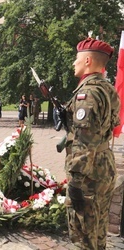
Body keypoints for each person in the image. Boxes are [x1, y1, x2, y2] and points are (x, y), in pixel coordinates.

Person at [64, 38, 119, 249]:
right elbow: (110, 125)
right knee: (98, 231)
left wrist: (76, 181)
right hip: (104, 166)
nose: (73, 63)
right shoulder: (107, 88)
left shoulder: (87, 94)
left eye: (76, 59)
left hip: (89, 174)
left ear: (87, 60)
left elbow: (85, 142)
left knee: (84, 235)